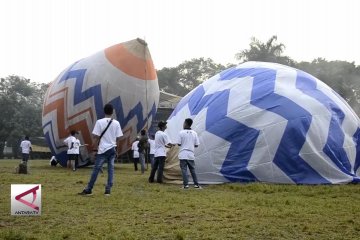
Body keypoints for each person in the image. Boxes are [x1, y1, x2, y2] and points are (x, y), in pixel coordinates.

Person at [79, 103, 123, 196]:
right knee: (111, 169)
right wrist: (117, 150)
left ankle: (89, 189)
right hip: (112, 148)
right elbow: (119, 138)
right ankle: (108, 190)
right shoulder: (116, 123)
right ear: (112, 112)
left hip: (102, 149)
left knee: (96, 169)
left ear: (104, 111)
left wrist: (93, 148)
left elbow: (96, 137)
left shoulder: (99, 122)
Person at [177, 118, 201, 189]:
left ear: (186, 123)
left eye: (184, 123)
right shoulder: (194, 133)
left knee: (184, 170)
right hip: (191, 154)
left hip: (183, 154)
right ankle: (196, 185)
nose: (183, 124)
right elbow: (196, 145)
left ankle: (186, 185)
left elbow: (179, 144)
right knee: (192, 170)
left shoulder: (181, 132)